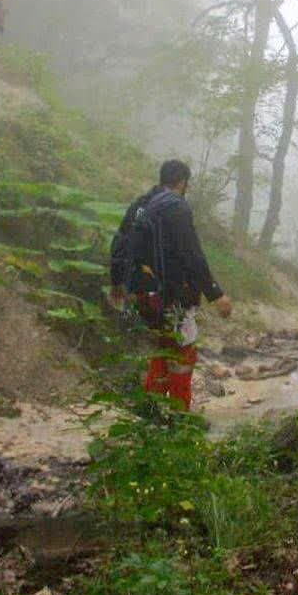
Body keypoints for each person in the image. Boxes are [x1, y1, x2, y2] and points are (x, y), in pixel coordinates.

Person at [110, 160, 232, 411]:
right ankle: (179, 417)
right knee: (183, 352)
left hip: (142, 294)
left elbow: (120, 241)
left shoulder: (142, 205)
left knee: (163, 346)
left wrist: (117, 282)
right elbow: (191, 254)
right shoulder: (176, 207)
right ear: (183, 182)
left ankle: (151, 411)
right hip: (171, 295)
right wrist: (215, 294)